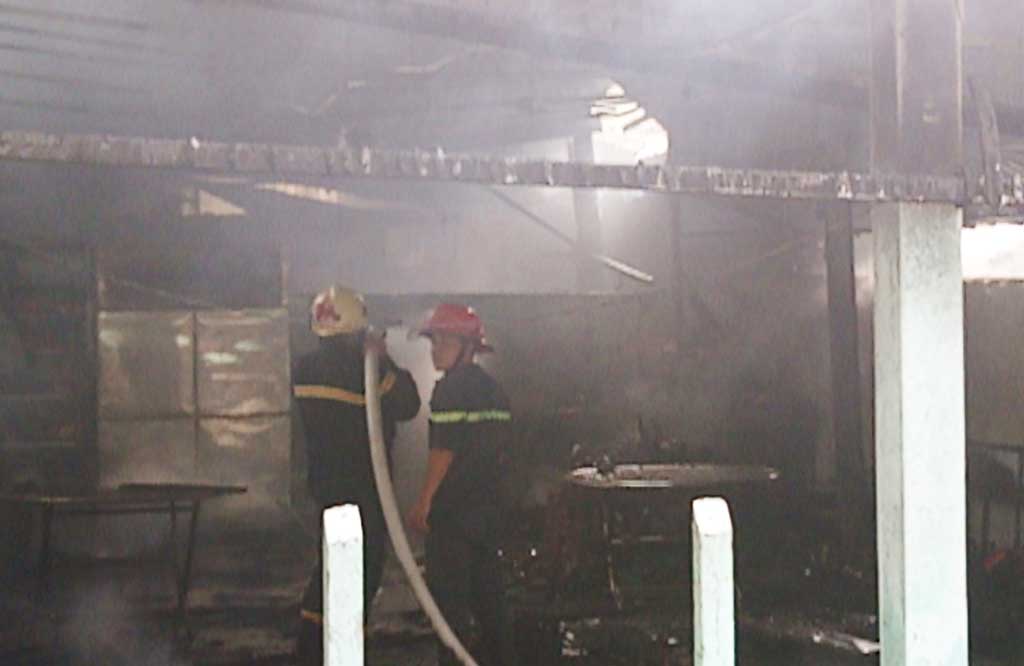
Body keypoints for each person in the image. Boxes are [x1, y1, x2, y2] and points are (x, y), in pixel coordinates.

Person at [293, 286, 420, 665]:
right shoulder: (363, 370)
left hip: (325, 489)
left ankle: (309, 652)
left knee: (328, 573)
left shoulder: (304, 369)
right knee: (359, 577)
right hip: (364, 491)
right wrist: (381, 356)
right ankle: (340, 654)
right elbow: (408, 404)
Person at [408, 303, 512, 666]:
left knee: (449, 613)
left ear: (467, 347)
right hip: (487, 516)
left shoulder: (449, 390)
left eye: (443, 341)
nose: (435, 350)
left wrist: (424, 503)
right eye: (433, 341)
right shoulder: (494, 391)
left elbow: (443, 450)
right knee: (490, 606)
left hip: (452, 519)